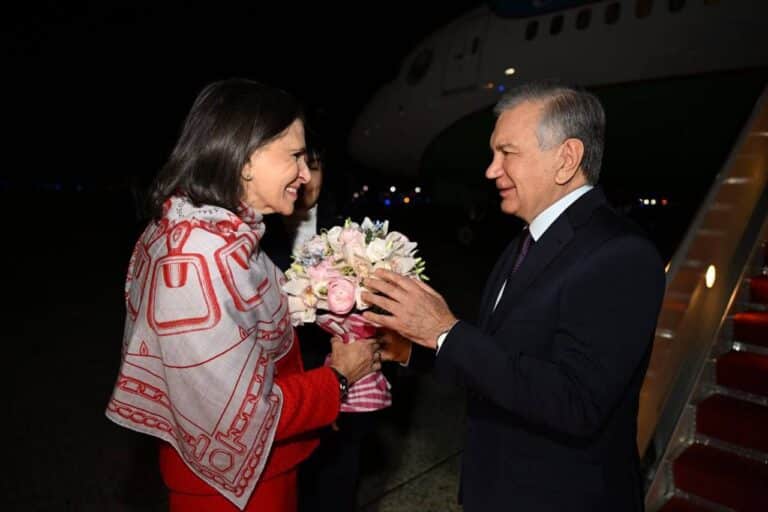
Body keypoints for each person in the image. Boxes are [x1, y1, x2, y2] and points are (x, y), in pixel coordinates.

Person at [362, 82, 666, 511]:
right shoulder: (527, 240)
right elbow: (504, 360)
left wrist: (446, 332)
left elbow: (575, 402)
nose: (491, 170)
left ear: (566, 159)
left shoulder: (620, 253)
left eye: (508, 153)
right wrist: (417, 347)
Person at [105, 78, 382, 512]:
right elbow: (238, 418)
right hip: (233, 491)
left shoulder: (217, 235)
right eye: (294, 155)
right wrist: (339, 379)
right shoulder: (199, 255)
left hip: (261, 472)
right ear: (246, 156)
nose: (306, 174)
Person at [261, 147, 382, 512]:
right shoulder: (255, 232)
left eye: (313, 166)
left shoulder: (355, 229)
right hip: (278, 390)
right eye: (295, 164)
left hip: (346, 382)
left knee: (336, 487)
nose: (304, 177)